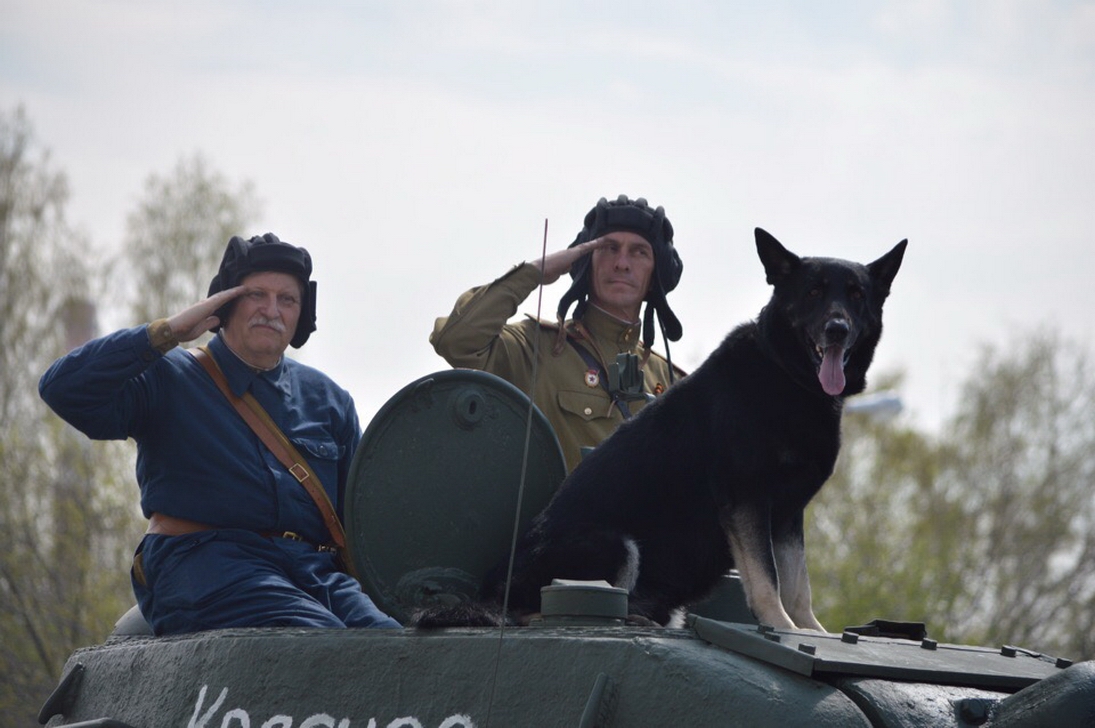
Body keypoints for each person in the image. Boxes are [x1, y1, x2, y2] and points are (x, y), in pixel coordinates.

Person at [39, 233, 400, 634]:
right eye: (256, 295)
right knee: (312, 638)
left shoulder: (327, 400)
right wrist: (167, 332)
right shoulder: (171, 376)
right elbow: (62, 388)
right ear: (226, 303)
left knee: (390, 641)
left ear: (302, 314)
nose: (271, 310)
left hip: (314, 571)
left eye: (287, 299)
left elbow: (363, 520)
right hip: (203, 564)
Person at [431, 195, 685, 471]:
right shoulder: (535, 348)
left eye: (639, 252)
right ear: (586, 264)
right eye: (609, 248)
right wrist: (534, 273)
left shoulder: (670, 381)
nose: (622, 263)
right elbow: (457, 341)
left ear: (656, 274)